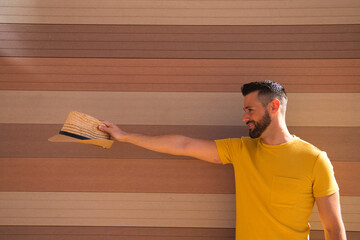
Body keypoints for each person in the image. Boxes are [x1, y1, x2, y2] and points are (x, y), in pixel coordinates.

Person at [98, 80, 346, 240]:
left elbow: (333, 229)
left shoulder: (315, 159)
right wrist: (126, 136)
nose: (244, 117)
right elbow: (184, 144)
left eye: (250, 110)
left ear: (273, 106)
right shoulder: (240, 149)